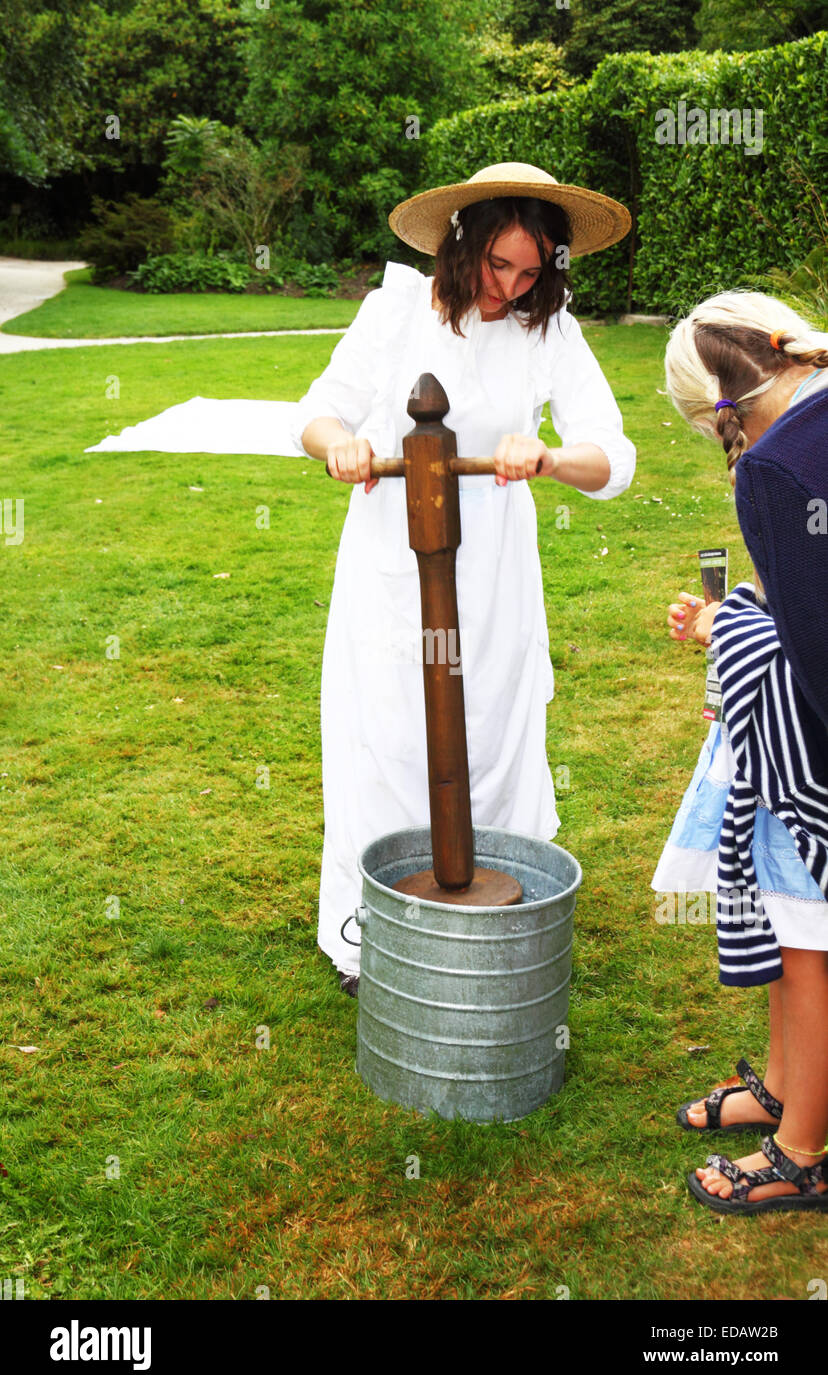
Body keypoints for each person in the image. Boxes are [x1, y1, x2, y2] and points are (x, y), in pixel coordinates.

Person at [290, 162, 636, 994]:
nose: (511, 287)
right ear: (463, 244)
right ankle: (371, 930)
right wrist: (338, 444)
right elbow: (317, 411)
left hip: (491, 568)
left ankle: (495, 914)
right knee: (390, 729)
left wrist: (549, 456)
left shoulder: (549, 330)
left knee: (488, 721)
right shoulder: (396, 309)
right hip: (389, 553)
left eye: (530, 271)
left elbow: (612, 456)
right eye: (498, 266)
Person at [656, 290, 828, 1213]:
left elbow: (812, 648)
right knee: (793, 924)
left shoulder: (771, 470)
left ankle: (803, 1149)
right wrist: (744, 614)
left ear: (717, 410)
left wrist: (730, 625)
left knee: (808, 942)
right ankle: (781, 1088)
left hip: (812, 759)